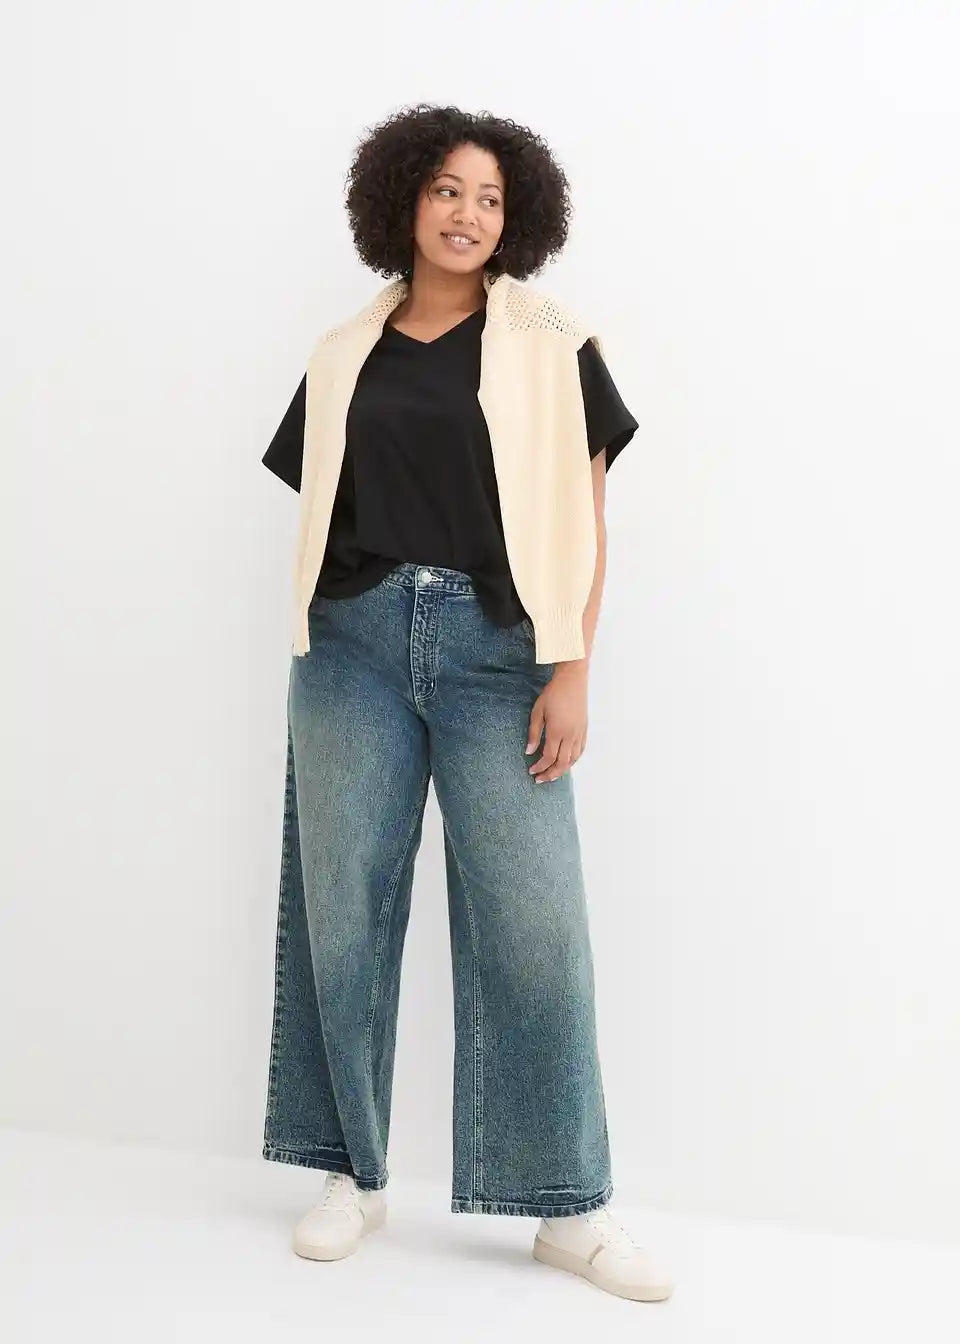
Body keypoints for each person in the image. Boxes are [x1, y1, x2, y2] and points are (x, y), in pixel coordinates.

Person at [260, 103, 675, 1304]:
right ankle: (349, 1173)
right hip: (351, 646)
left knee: (536, 926)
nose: (467, 213)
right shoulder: (344, 349)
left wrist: (572, 666)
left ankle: (567, 1206)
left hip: (501, 653)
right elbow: (319, 499)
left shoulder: (554, 343)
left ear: (517, 218)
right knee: (342, 911)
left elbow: (586, 516)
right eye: (447, 189)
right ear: (404, 200)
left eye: (490, 198)